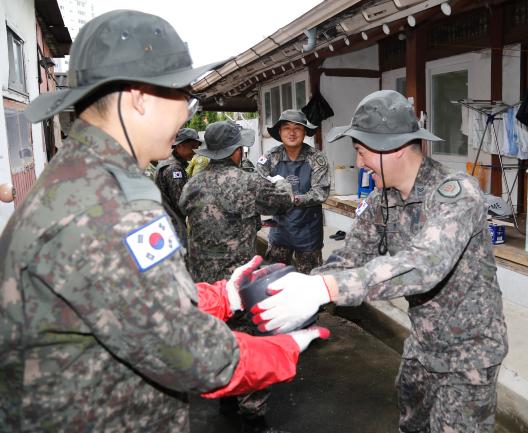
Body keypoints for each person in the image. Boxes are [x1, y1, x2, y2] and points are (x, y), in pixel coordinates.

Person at [0, 10, 327, 433]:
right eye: (182, 98)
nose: (184, 119)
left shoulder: (86, 177)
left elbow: (131, 302)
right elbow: (188, 352)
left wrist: (222, 296)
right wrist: (283, 350)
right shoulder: (105, 206)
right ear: (138, 98)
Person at [252, 90, 509, 433]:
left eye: (361, 152)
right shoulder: (381, 200)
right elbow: (351, 257)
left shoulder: (455, 193)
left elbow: (425, 265)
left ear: (394, 149)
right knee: (411, 424)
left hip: (470, 352)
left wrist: (324, 288)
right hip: (423, 341)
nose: (359, 163)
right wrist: (298, 286)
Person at [180, 121, 294, 431]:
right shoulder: (247, 182)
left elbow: (183, 213)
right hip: (237, 280)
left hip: (204, 279)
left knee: (218, 334)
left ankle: (225, 397)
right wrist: (282, 182)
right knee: (249, 338)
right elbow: (282, 201)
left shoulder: (193, 184)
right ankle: (252, 409)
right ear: (235, 151)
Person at [256, 110, 330, 274]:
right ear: (280, 132)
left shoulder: (316, 158)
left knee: (309, 283)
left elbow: (320, 193)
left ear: (304, 132)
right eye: (286, 127)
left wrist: (293, 199)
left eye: (297, 128)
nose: (292, 132)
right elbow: (259, 185)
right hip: (280, 231)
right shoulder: (271, 157)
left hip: (308, 231)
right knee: (275, 280)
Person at [155, 127, 201, 246]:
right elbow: (182, 203)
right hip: (173, 229)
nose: (195, 151)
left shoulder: (166, 161)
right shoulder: (174, 169)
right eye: (193, 147)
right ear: (179, 146)